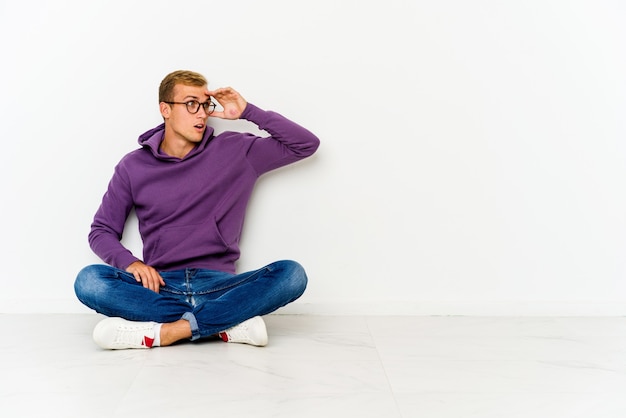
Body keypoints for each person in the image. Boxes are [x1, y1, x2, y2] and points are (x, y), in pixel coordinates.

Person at [74, 70, 320, 350]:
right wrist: (133, 264)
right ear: (165, 109)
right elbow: (102, 230)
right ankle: (225, 324)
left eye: (205, 105)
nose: (201, 114)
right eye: (191, 104)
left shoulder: (237, 151)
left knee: (292, 274)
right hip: (161, 288)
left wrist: (248, 111)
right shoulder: (133, 166)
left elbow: (306, 145)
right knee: (89, 281)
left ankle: (167, 332)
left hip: (219, 287)